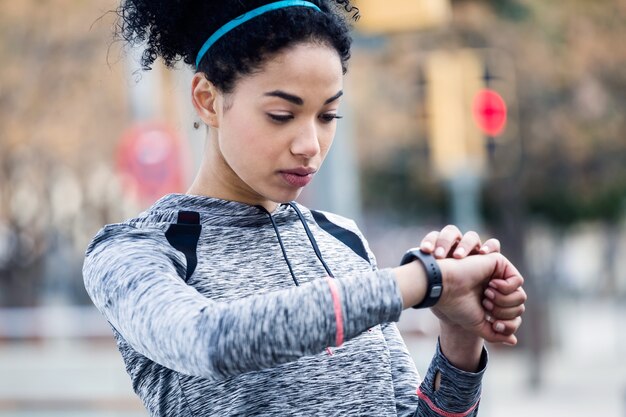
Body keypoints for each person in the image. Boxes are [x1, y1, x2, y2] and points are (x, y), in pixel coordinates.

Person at [83, 1, 527, 416]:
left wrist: (459, 336)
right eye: (281, 114)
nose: (310, 146)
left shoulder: (341, 238)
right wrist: (421, 280)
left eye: (328, 116)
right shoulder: (133, 250)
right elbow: (211, 342)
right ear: (207, 98)